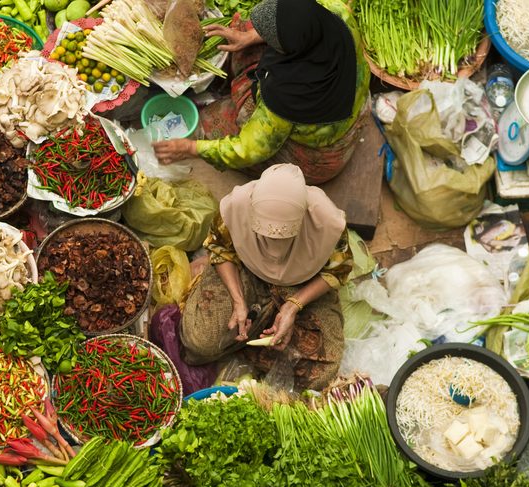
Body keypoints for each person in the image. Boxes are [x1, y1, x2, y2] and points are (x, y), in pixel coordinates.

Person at [153, 0, 370, 185]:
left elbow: (248, 150)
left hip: (320, 154)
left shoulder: (288, 95)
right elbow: (289, 22)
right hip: (348, 100)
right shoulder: (336, 12)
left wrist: (191, 148)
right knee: (245, 26)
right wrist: (250, 36)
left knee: (210, 124)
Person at [180, 163, 355, 390]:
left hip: (302, 285)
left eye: (284, 238)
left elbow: (337, 271)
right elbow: (220, 249)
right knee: (199, 342)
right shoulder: (236, 207)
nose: (273, 247)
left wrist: (293, 306)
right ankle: (256, 338)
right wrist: (238, 300)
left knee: (323, 373)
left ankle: (246, 341)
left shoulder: (328, 223)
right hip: (246, 272)